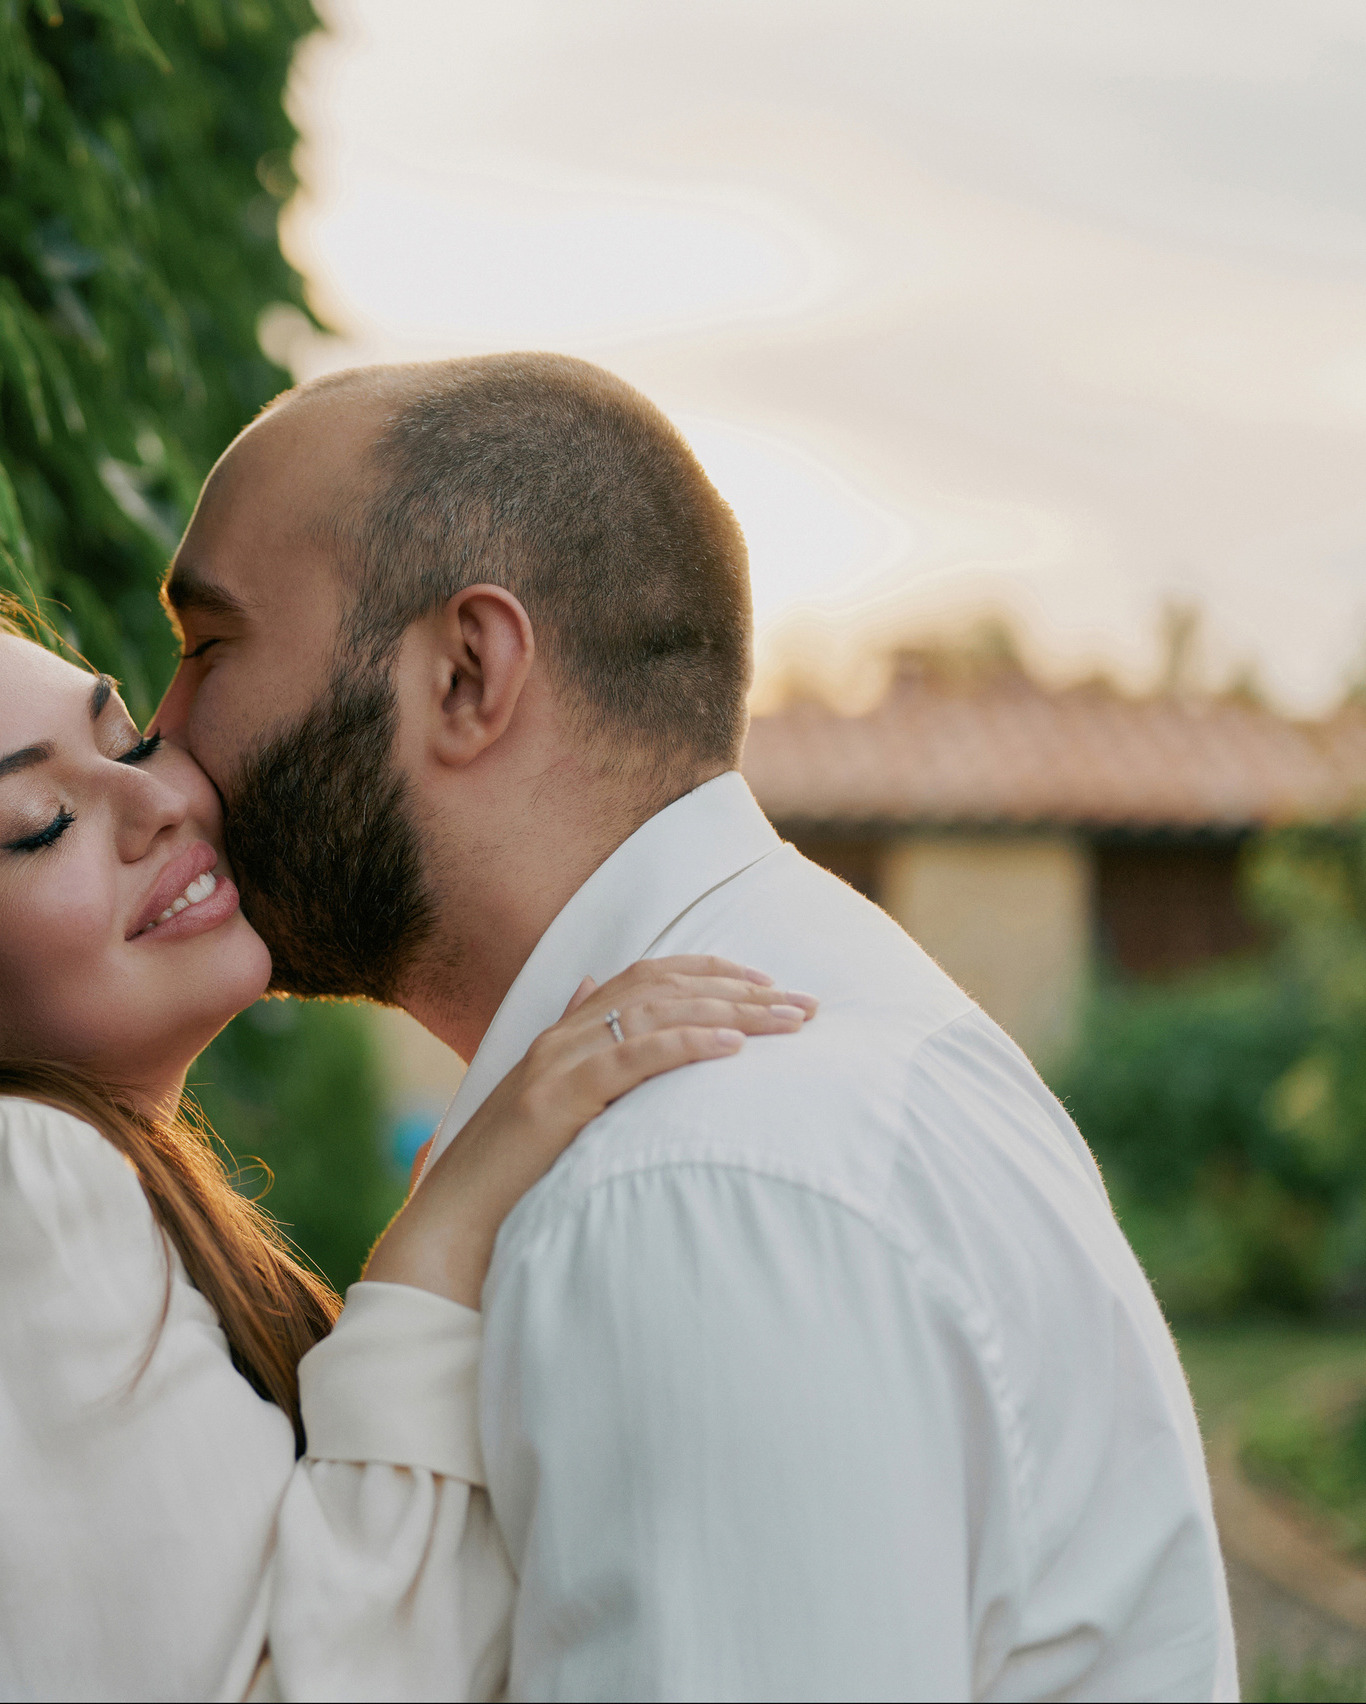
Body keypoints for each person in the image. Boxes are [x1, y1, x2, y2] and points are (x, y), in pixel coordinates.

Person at [152, 351, 1235, 1699]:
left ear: (467, 675)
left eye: (207, 647)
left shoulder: (685, 1180)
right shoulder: (790, 1067)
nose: (160, 735)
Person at [0, 581, 815, 1700]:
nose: (155, 801)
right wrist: (442, 1243)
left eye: (127, 741)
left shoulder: (14, 1203)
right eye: (39, 823)